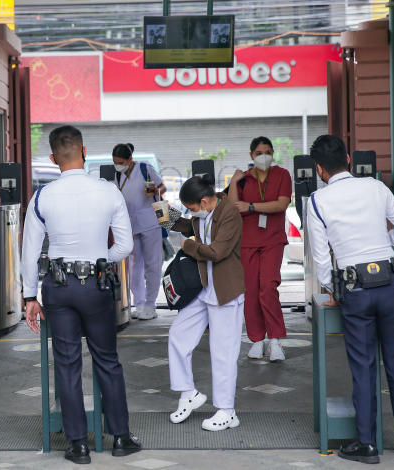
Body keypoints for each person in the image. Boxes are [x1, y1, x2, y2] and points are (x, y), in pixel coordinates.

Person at [22, 125, 141, 464]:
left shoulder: (42, 196)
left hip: (58, 289)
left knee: (67, 363)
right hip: (97, 286)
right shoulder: (107, 191)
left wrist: (29, 297)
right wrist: (100, 260)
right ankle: (120, 437)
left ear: (52, 157)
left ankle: (78, 445)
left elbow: (30, 252)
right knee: (107, 360)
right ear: (84, 150)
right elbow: (125, 245)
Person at [306, 135, 394, 464]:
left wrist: (335, 290)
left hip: (354, 289)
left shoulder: (317, 201)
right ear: (349, 160)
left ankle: (367, 444)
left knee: (364, 366)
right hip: (390, 284)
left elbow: (321, 262)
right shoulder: (375, 187)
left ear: (319, 169)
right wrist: (381, 244)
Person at [165, 174, 245, 431]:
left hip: (226, 290)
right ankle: (188, 392)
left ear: (203, 201)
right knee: (178, 335)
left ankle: (227, 410)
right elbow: (189, 225)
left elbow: (218, 252)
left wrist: (188, 247)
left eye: (191, 208)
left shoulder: (229, 214)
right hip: (203, 289)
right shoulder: (203, 214)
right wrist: (162, 211)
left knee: (223, 352)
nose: (191, 213)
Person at [227, 136, 292, 362]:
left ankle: (275, 339)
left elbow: (282, 204)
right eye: (259, 153)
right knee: (251, 291)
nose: (264, 156)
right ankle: (256, 339)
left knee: (268, 287)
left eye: (268, 151)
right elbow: (235, 208)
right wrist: (234, 183)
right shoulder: (244, 179)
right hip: (248, 242)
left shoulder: (282, 175)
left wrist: (252, 206)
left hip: (272, 240)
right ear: (251, 155)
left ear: (272, 153)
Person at [112, 143, 166, 320]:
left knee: (153, 264)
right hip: (131, 225)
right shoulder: (117, 175)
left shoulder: (144, 168)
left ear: (130, 160)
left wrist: (154, 191)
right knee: (134, 266)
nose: (117, 165)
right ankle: (139, 303)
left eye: (120, 162)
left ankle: (151, 304)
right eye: (115, 162)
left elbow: (162, 187)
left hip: (151, 222)